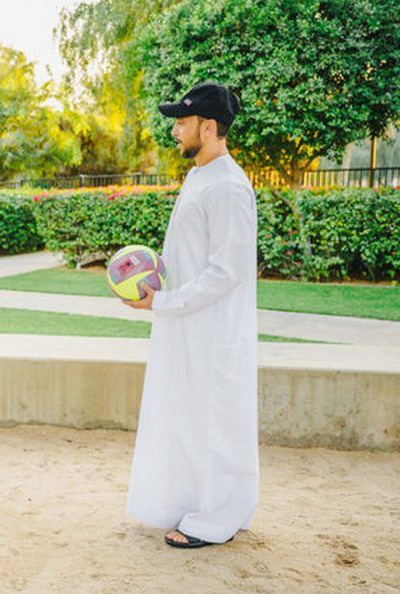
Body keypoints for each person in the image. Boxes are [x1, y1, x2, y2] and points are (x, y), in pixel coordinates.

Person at [124, 82, 259, 549]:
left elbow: (226, 272)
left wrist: (161, 302)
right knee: (189, 420)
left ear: (209, 126)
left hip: (213, 333)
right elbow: (193, 256)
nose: (175, 130)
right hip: (187, 326)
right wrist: (156, 277)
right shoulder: (200, 177)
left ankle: (216, 519)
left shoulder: (228, 188)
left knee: (215, 424)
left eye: (182, 122)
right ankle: (198, 505)